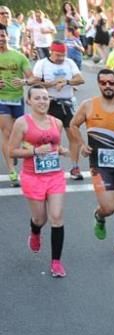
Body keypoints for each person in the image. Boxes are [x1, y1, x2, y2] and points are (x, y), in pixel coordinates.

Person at [68, 68, 114, 256]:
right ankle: (99, 216)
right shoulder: (88, 106)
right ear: (99, 84)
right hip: (99, 165)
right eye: (104, 83)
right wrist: (82, 144)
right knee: (109, 207)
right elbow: (73, 125)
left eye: (111, 82)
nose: (108, 86)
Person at [9, 85, 69, 276]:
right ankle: (35, 231)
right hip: (32, 176)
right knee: (40, 218)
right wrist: (34, 151)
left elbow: (56, 146)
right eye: (38, 98)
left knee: (57, 216)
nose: (43, 101)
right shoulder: (22, 123)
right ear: (29, 101)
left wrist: (62, 150)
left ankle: (56, 262)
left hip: (54, 176)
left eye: (45, 98)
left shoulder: (56, 122)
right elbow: (11, 151)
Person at [28, 41, 82, 177]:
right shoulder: (42, 64)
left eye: (63, 55)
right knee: (49, 139)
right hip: (50, 104)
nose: (61, 58)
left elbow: (80, 79)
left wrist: (67, 82)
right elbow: (34, 82)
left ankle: (75, 167)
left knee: (74, 137)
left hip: (68, 104)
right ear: (51, 52)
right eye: (58, 55)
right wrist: (51, 84)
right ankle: (47, 166)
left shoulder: (69, 63)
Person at [0, 23, 32, 186]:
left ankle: (13, 151)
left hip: (17, 98)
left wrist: (24, 81)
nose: (1, 39)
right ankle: (12, 170)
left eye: (3, 35)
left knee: (17, 133)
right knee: (6, 132)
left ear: (7, 36)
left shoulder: (19, 56)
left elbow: (32, 77)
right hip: (1, 99)